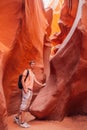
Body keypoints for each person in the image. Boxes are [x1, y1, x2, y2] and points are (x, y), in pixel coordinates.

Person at [14, 61, 46, 128]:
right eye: (32, 64)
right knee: (24, 107)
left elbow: (36, 81)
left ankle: (16, 117)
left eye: (34, 64)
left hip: (30, 91)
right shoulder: (26, 71)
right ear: (30, 65)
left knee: (25, 106)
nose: (33, 65)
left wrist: (42, 84)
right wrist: (25, 88)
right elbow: (22, 80)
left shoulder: (32, 73)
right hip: (27, 90)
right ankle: (22, 122)